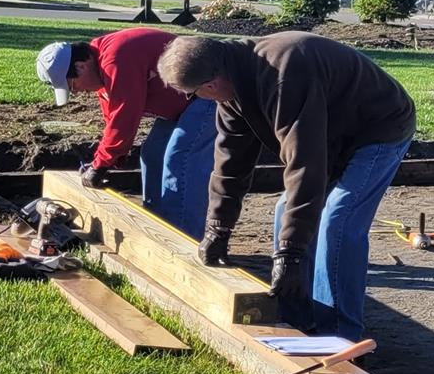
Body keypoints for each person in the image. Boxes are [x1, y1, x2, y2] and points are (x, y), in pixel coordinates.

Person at [157, 32, 415, 340]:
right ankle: (297, 321)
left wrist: (290, 254)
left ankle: (340, 337)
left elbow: (305, 165)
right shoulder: (233, 86)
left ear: (210, 84)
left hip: (378, 129)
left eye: (193, 93)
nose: (196, 99)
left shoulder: (283, 77)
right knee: (285, 212)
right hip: (331, 135)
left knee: (338, 220)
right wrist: (218, 227)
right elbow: (230, 163)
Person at [35, 28, 215, 239]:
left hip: (209, 93)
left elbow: (125, 117)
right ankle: (158, 230)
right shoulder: (102, 67)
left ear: (80, 66)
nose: (76, 92)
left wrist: (101, 165)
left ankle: (184, 240)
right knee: (152, 155)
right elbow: (112, 120)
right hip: (184, 104)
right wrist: (109, 161)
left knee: (179, 159)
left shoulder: (116, 60)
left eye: (72, 85)